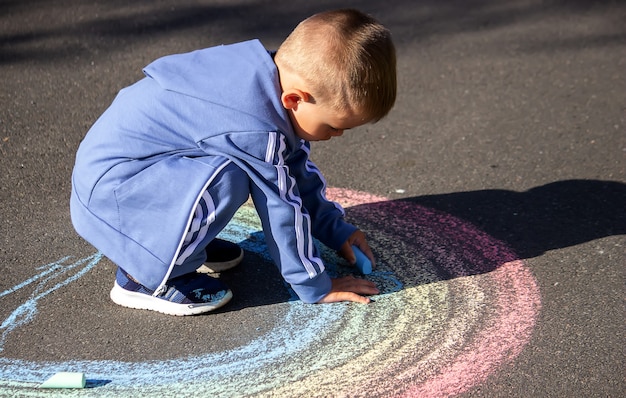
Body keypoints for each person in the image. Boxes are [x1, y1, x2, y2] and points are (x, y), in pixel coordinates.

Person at [70, 9, 397, 316]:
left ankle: (180, 244)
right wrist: (314, 285)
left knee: (242, 166)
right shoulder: (255, 128)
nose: (338, 134)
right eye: (334, 125)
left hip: (120, 182)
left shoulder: (265, 80)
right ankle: (145, 277)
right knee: (233, 176)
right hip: (114, 197)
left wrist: (334, 229)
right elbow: (281, 205)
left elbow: (293, 166)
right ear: (295, 100)